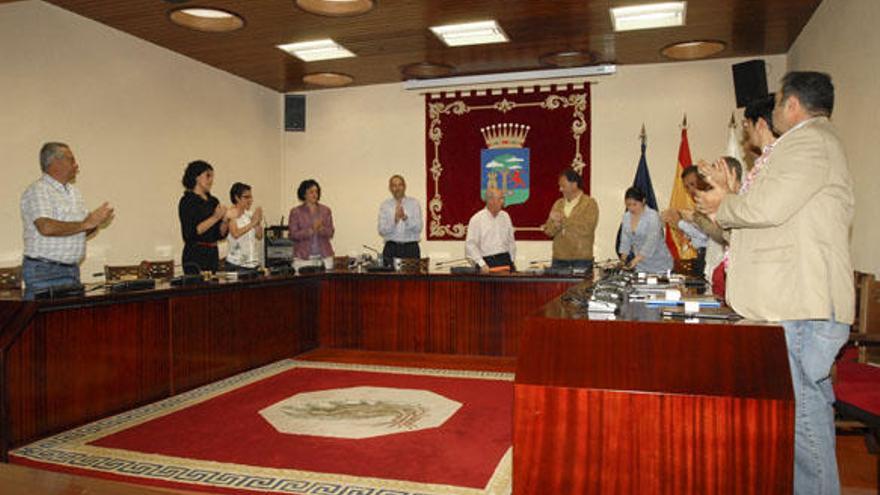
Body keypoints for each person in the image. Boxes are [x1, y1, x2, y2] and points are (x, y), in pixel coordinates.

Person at [696, 71, 853, 495]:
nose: (775, 108)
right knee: (801, 416)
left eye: (779, 101)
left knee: (804, 418)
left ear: (793, 105)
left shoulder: (808, 142)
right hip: (792, 301)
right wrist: (727, 201)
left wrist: (724, 202)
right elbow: (760, 224)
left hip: (800, 303)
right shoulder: (808, 145)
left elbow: (766, 207)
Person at [20, 142, 113, 299]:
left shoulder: (73, 193)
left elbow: (79, 229)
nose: (76, 165)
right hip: (44, 272)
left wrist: (95, 223)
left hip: (72, 271)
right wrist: (86, 223)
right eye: (71, 160)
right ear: (56, 163)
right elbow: (45, 227)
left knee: (69, 323)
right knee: (45, 323)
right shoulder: (38, 190)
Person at [542, 169, 599, 271]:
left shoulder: (589, 203)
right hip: (559, 259)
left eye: (563, 186)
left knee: (581, 287)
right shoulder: (558, 204)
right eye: (559, 186)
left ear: (574, 185)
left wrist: (563, 220)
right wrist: (555, 224)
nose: (560, 189)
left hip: (581, 260)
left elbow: (587, 228)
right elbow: (548, 231)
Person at [178, 160, 228, 274]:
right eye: (208, 176)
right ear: (196, 177)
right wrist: (215, 218)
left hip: (213, 254)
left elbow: (219, 235)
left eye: (212, 177)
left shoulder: (213, 201)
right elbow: (190, 233)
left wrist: (225, 221)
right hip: (195, 255)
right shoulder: (187, 201)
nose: (211, 180)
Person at [661, 165, 709, 276]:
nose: (690, 190)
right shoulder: (698, 205)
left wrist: (680, 223)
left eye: (693, 184)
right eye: (687, 187)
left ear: (703, 181)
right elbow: (698, 234)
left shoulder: (710, 203)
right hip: (701, 256)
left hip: (711, 259)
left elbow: (705, 235)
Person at [618, 187, 672, 273]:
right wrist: (622, 261)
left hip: (659, 263)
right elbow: (625, 241)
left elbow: (651, 242)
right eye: (628, 205)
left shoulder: (653, 216)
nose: (631, 208)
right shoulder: (626, 217)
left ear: (643, 201)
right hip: (640, 265)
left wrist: (634, 261)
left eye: (634, 204)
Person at [465, 188, 516, 272]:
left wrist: (512, 261)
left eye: (503, 198)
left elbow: (511, 241)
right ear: (490, 200)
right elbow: (471, 245)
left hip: (505, 260)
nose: (503, 201)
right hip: (487, 262)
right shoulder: (477, 219)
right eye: (500, 198)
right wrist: (482, 264)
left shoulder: (506, 216)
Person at [288, 179, 334, 269]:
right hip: (303, 258)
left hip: (324, 257)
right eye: (311, 192)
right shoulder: (296, 212)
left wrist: (321, 229)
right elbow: (293, 235)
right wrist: (311, 230)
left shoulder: (325, 210)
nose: (314, 194)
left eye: (316, 192)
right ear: (304, 194)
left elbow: (330, 232)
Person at [377, 174, 422, 266]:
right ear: (390, 188)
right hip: (391, 248)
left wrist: (405, 218)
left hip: (410, 248)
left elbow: (419, 228)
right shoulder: (385, 205)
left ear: (404, 186)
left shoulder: (414, 203)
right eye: (394, 185)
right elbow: (382, 230)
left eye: (400, 185)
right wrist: (395, 221)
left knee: (412, 280)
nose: (397, 188)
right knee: (389, 279)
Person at [225, 182, 263, 272]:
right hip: (237, 264)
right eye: (246, 197)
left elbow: (259, 236)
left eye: (251, 197)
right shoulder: (231, 214)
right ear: (237, 198)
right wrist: (253, 223)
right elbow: (235, 233)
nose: (250, 200)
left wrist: (258, 222)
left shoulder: (249, 214)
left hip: (253, 263)